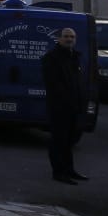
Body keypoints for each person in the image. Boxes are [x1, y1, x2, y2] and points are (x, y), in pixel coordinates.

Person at [42, 27, 86, 184]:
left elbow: (78, 83)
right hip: (59, 108)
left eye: (72, 37)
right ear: (59, 39)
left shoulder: (75, 57)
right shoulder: (51, 58)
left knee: (69, 141)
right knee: (59, 140)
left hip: (75, 108)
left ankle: (70, 170)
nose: (69, 39)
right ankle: (59, 172)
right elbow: (53, 85)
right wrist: (63, 102)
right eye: (66, 36)